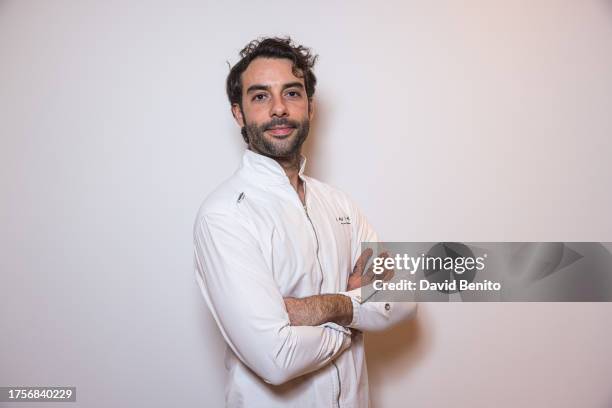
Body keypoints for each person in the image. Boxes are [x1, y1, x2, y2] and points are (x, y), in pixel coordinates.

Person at [193, 37, 417, 408]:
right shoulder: (224, 215)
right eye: (261, 96)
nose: (279, 109)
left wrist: (327, 307)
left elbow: (406, 298)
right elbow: (276, 358)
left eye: (292, 93)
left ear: (310, 107)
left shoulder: (339, 203)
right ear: (239, 113)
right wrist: (358, 314)